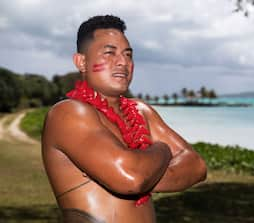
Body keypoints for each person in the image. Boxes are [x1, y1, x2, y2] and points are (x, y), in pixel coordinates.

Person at [42, 14, 207, 223]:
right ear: (81, 61)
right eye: (109, 53)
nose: (123, 62)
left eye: (128, 55)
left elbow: (197, 166)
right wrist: (162, 150)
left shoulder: (141, 110)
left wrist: (145, 172)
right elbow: (132, 177)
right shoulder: (68, 113)